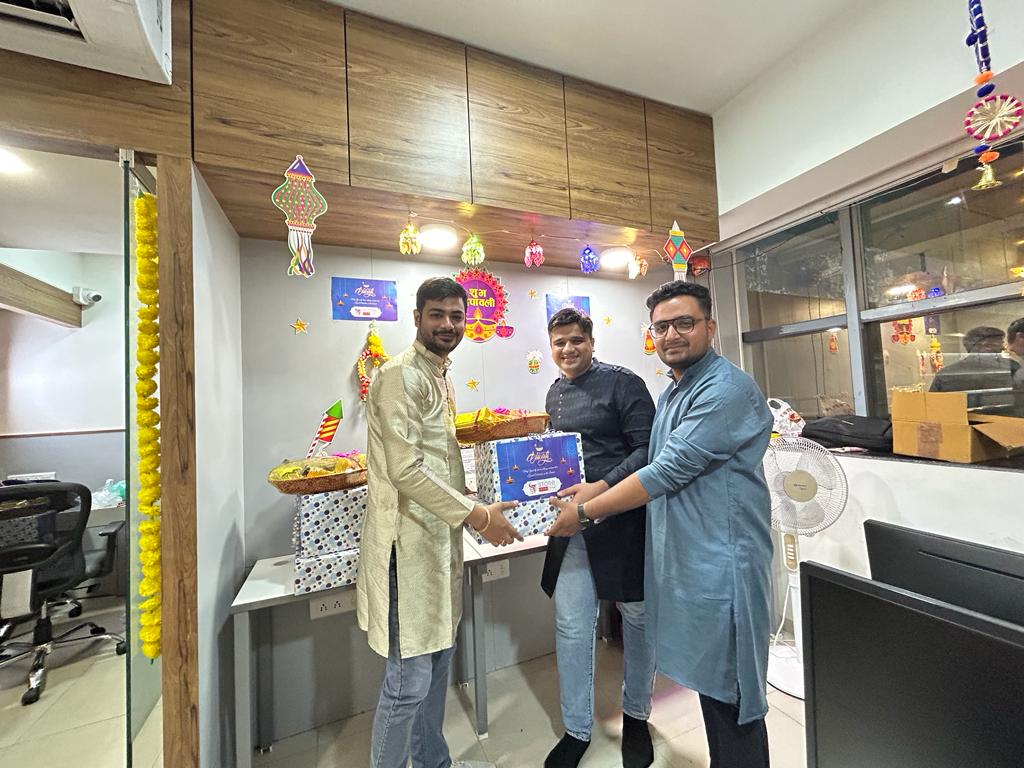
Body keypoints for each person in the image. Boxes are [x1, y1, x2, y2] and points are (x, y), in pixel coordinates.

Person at [547, 281, 774, 768]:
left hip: (724, 562)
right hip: (687, 555)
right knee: (713, 688)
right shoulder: (674, 391)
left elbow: (663, 469)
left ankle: (638, 717)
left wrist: (588, 507)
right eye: (662, 327)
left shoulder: (725, 390)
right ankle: (579, 729)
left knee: (734, 695)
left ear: (710, 327)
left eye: (684, 323)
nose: (672, 334)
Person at [356, 277, 522, 768]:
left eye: (456, 316)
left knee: (438, 663)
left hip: (439, 542)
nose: (448, 324)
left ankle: (434, 762)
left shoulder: (439, 374)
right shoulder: (398, 375)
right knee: (408, 682)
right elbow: (405, 470)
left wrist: (470, 498)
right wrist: (478, 516)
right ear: (417, 317)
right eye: (437, 314)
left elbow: (436, 459)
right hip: (405, 548)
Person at [541, 308, 657, 768]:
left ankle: (637, 716)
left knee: (638, 621)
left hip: (625, 522)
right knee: (571, 626)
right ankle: (576, 729)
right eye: (559, 343)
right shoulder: (554, 393)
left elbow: (649, 450)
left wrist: (602, 488)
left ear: (591, 341)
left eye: (576, 340)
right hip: (573, 528)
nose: (567, 349)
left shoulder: (623, 384)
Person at [930, 325, 1021, 414]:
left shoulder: (945, 374)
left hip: (963, 423)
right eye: (999, 344)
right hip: (1007, 422)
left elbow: (933, 409)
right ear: (985, 345)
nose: (1003, 348)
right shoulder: (1011, 367)